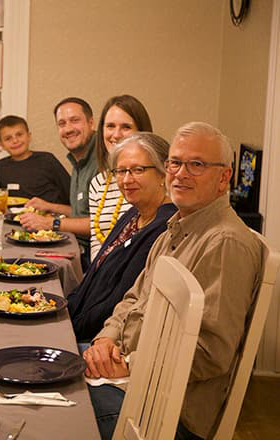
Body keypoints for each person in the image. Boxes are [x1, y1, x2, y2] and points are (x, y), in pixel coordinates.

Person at [83, 122, 263, 440]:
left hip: (167, 412)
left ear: (224, 177)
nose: (181, 173)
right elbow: (132, 299)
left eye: (197, 165)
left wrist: (128, 365)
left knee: (62, 407)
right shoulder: (176, 225)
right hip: (130, 373)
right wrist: (105, 340)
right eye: (175, 163)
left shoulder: (224, 242)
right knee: (49, 361)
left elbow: (210, 354)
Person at [68, 132, 176, 343]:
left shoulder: (163, 227)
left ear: (163, 173)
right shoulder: (134, 214)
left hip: (102, 342)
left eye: (138, 170)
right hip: (79, 325)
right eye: (121, 171)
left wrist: (69, 327)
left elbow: (118, 301)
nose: (126, 180)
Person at [20, 97, 100, 270]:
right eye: (62, 123)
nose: (68, 129)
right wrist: (49, 207)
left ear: (91, 123)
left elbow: (102, 223)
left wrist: (51, 223)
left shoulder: (102, 159)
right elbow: (81, 213)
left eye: (75, 121)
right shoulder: (79, 160)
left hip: (91, 258)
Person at [88, 95, 153, 261]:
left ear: (142, 132)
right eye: (110, 126)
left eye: (126, 127)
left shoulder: (152, 178)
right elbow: (96, 240)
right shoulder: (97, 183)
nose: (116, 135)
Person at [0, 115, 70, 204]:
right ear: (2, 145)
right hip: (18, 216)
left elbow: (70, 191)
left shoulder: (47, 160)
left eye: (19, 135)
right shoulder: (0, 167)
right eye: (8, 138)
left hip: (50, 215)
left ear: (29, 136)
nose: (15, 141)